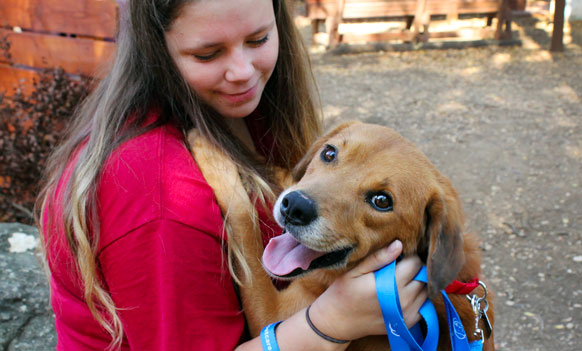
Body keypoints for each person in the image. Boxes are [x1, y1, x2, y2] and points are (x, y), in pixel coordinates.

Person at [36, 0, 427, 350]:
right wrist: (332, 324)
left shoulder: (239, 110)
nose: (243, 72)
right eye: (207, 53)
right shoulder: (155, 195)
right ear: (155, 48)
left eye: (258, 39)